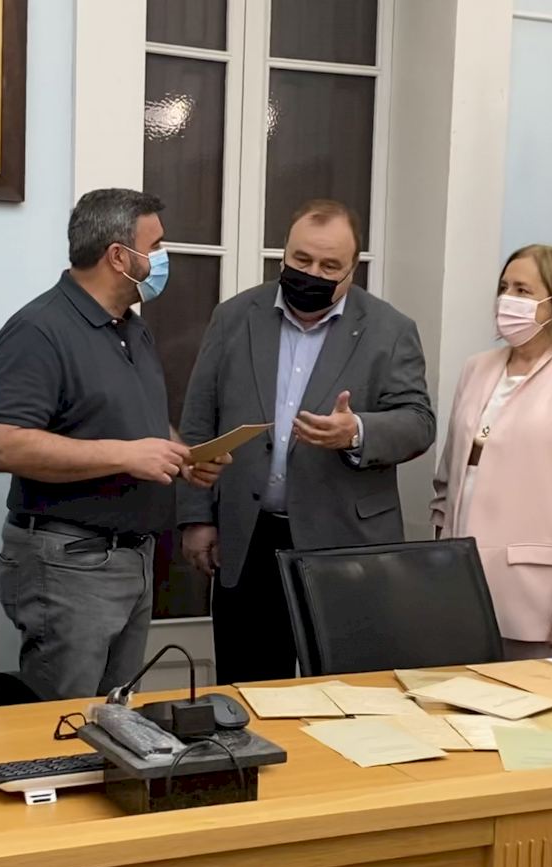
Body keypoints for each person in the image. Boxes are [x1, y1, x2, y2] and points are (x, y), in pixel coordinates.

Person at [178, 199, 436, 685]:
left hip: (346, 543)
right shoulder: (234, 317)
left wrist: (356, 431)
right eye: (301, 259)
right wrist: (196, 517)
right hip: (248, 538)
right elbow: (198, 422)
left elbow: (418, 422)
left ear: (352, 270)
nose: (312, 273)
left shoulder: (390, 329)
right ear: (283, 253)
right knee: (249, 694)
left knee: (349, 694)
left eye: (329, 266)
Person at [0, 188, 228, 701]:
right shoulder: (38, 329)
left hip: (132, 558)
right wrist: (126, 455)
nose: (163, 258)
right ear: (119, 256)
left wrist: (185, 459)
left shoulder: (133, 330)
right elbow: (7, 446)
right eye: (155, 246)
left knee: (116, 718)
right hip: (69, 562)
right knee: (62, 723)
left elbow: (139, 422)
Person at [431, 244, 552, 660]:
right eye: (504, 288)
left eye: (522, 290)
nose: (508, 299)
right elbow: (449, 480)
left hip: (534, 594)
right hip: (456, 584)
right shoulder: (477, 368)